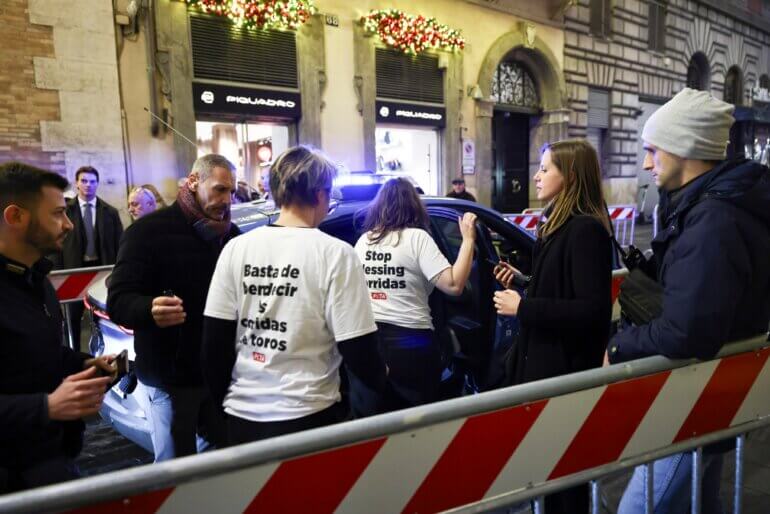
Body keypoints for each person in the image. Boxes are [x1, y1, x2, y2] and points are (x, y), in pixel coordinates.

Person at [607, 89, 770, 514]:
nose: (646, 163)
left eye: (652, 150)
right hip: (710, 393)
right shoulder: (710, 205)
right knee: (701, 502)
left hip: (695, 400)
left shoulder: (713, 221)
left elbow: (687, 329)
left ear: (683, 148)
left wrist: (618, 348)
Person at [201, 146, 386, 444]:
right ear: (320, 194)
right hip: (310, 415)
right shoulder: (336, 254)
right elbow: (358, 347)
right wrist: (379, 380)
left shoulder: (236, 248)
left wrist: (225, 405)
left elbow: (214, 342)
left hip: (242, 417)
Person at [493, 139, 613, 514]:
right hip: (547, 373)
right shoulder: (558, 223)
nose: (537, 175)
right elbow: (563, 288)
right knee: (549, 476)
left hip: (565, 375)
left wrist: (523, 307)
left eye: (545, 168)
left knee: (565, 484)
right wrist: (524, 281)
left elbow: (591, 310)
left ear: (570, 176)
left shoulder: (585, 230)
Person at [107, 154, 241, 462]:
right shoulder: (146, 233)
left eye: (232, 192)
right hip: (169, 379)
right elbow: (119, 301)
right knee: (174, 469)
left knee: (225, 464)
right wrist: (149, 309)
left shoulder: (230, 235)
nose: (227, 199)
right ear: (193, 182)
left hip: (218, 374)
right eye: (220, 189)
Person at [0, 162, 114, 492]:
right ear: (16, 217)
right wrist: (46, 407)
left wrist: (83, 363)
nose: (68, 224)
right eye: (57, 214)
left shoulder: (36, 278)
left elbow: (35, 351)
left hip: (51, 455)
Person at [354, 178, 477, 409]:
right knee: (416, 418)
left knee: (380, 418)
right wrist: (468, 240)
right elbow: (453, 285)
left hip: (371, 343)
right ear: (413, 204)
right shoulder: (416, 238)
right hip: (411, 344)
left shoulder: (363, 242)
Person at [52, 165, 124, 345]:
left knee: (103, 316)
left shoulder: (110, 212)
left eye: (92, 181)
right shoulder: (65, 211)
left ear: (97, 184)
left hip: (103, 269)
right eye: (84, 181)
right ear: (76, 183)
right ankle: (74, 350)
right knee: (72, 318)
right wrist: (57, 274)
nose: (88, 185)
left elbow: (119, 244)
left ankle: (106, 350)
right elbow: (56, 245)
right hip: (72, 270)